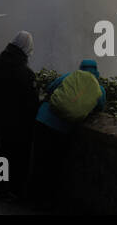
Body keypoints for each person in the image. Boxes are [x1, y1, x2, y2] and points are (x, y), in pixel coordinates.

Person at [30, 58, 105, 211]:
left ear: (81, 68)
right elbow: (100, 108)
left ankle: (32, 197)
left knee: (39, 160)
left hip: (43, 120)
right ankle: (48, 202)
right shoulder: (99, 89)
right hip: (62, 129)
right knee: (54, 166)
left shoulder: (70, 76)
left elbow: (50, 88)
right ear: (96, 71)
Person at [0, 31, 39, 201]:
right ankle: (14, 190)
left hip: (1, 115)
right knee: (19, 156)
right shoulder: (26, 73)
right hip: (20, 122)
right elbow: (32, 102)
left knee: (3, 152)